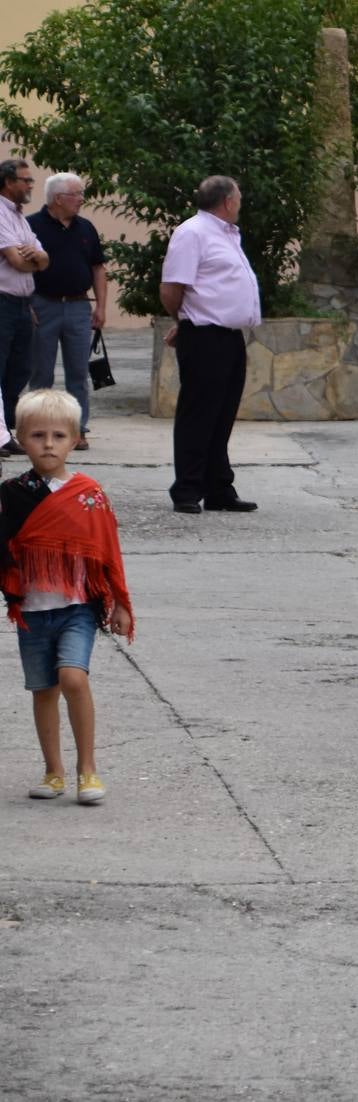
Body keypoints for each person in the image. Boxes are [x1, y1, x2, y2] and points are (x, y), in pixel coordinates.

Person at [6, 387, 135, 806]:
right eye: (37, 435)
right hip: (32, 611)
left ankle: (88, 769)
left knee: (72, 678)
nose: (48, 444)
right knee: (43, 691)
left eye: (59, 436)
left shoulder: (88, 493)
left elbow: (106, 552)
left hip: (78, 607)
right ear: (19, 438)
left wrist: (118, 602)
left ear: (76, 438)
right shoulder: (10, 495)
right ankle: (54, 772)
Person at [158, 176, 261, 514]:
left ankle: (219, 487)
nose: (241, 203)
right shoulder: (193, 233)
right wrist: (185, 320)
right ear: (228, 201)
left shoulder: (226, 234)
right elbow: (172, 288)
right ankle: (187, 488)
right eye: (239, 197)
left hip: (229, 336)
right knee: (199, 414)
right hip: (204, 335)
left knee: (223, 414)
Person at [25, 175, 107, 447]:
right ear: (58, 198)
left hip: (78, 305)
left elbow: (98, 268)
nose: (82, 199)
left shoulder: (86, 228)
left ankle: (78, 429)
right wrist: (28, 304)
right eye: (77, 194)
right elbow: (18, 269)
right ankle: (37, 429)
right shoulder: (31, 226)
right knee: (41, 372)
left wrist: (101, 306)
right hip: (43, 305)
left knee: (78, 373)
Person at [0, 161, 49, 452]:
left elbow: (45, 260)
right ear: (7, 182)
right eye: (26, 180)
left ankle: (5, 432)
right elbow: (18, 261)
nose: (31, 185)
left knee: (19, 370)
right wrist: (35, 259)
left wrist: (36, 258)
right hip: (3, 301)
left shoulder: (19, 217)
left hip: (22, 304)